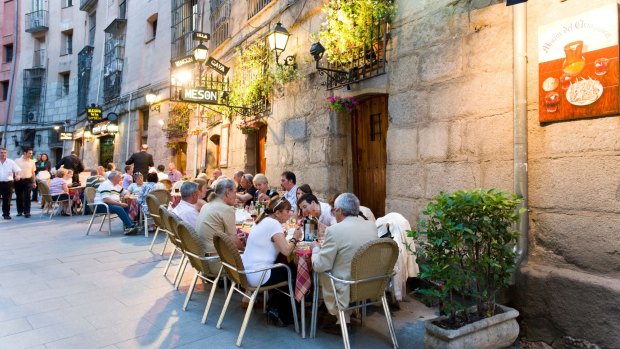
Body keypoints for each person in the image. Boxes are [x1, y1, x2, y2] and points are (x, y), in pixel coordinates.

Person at [311, 193, 378, 335]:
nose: (334, 212)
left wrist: (315, 249)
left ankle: (335, 316)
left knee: (321, 272)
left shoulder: (334, 231)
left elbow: (320, 265)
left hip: (347, 285)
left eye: (334, 210)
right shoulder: (371, 226)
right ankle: (345, 317)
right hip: (371, 283)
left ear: (340, 211)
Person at [241, 196, 303, 326]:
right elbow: (286, 251)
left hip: (246, 271)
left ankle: (275, 306)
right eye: (287, 210)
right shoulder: (274, 224)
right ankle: (282, 311)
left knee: (285, 267)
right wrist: (295, 238)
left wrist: (281, 238)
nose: (290, 213)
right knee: (292, 270)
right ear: (278, 213)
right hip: (258, 275)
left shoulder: (263, 220)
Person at [195, 178, 245, 255]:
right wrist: (245, 249)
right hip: (215, 257)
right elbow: (234, 240)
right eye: (235, 192)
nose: (236, 196)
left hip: (201, 254)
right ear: (228, 192)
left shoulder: (206, 205)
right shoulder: (226, 209)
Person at [93, 171, 138, 235]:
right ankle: (130, 226)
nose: (121, 179)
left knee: (126, 206)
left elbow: (126, 192)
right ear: (115, 178)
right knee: (119, 208)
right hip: (101, 206)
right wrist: (120, 204)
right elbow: (106, 199)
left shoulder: (116, 185)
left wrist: (127, 195)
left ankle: (129, 225)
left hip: (111, 205)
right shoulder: (106, 184)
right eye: (120, 177)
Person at [14, 148, 37, 218]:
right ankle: (20, 211)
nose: (31, 154)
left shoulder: (32, 162)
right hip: (19, 180)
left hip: (28, 180)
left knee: (27, 196)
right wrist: (16, 176)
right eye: (29, 153)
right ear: (24, 153)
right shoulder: (17, 161)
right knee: (19, 196)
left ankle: (27, 212)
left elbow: (33, 173)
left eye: (31, 153)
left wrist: (34, 182)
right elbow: (14, 170)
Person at [0, 147, 21, 219]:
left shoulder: (11, 162)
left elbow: (17, 170)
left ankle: (6, 214)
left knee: (7, 199)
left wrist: (17, 175)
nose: (3, 154)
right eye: (1, 152)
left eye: (4, 152)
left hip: (8, 183)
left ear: (6, 153)